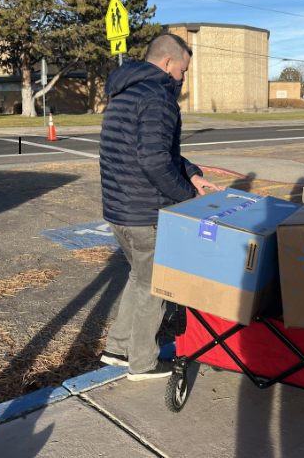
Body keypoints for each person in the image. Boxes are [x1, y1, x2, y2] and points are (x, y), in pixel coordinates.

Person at [99, 33, 223, 381]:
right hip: (145, 212)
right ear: (168, 63)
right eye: (183, 70)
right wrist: (188, 196)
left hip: (119, 209)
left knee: (139, 277)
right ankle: (142, 362)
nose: (183, 78)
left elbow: (160, 152)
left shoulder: (126, 94)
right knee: (155, 287)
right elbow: (154, 160)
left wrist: (193, 174)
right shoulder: (159, 98)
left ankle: (118, 347)